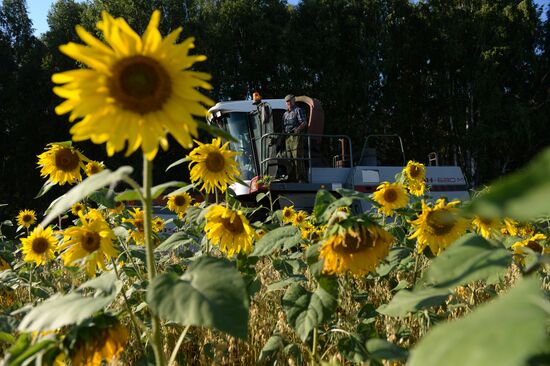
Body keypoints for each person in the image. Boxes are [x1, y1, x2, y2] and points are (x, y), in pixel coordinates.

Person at [282, 94, 307, 182]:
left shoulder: (298, 110)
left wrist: (298, 129)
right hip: (287, 137)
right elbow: (283, 127)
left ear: (293, 101)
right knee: (289, 158)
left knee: (297, 157)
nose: (288, 102)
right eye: (287, 101)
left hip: (296, 137)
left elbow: (304, 122)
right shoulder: (285, 114)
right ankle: (291, 178)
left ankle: (301, 178)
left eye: (290, 100)